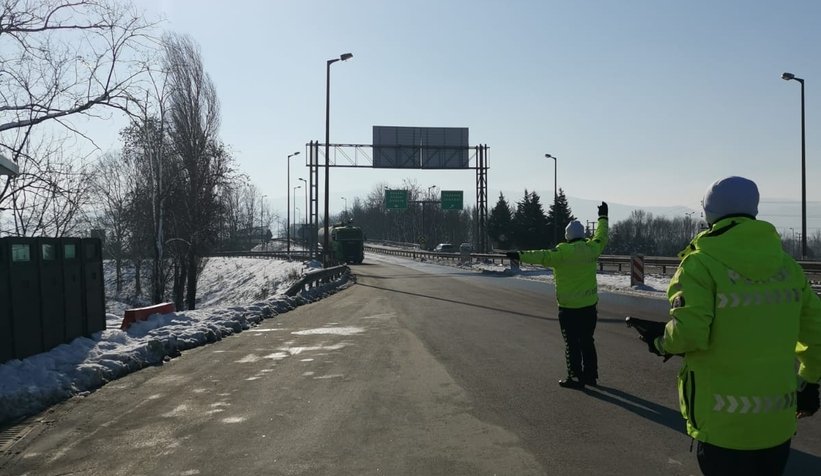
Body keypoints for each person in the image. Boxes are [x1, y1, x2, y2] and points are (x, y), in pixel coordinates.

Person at [642, 176, 821, 475]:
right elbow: (816, 332)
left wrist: (661, 342)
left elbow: (689, 333)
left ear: (709, 213)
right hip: (776, 425)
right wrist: (810, 380)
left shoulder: (699, 264)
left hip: (721, 425)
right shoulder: (787, 267)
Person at [507, 202, 608, 389]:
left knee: (571, 344)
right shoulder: (593, 249)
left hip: (569, 309)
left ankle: (575, 377)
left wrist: (518, 255)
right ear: (583, 235)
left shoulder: (561, 253)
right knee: (587, 341)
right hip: (589, 307)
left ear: (567, 236)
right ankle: (591, 376)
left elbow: (540, 255)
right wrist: (603, 217)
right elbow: (602, 236)